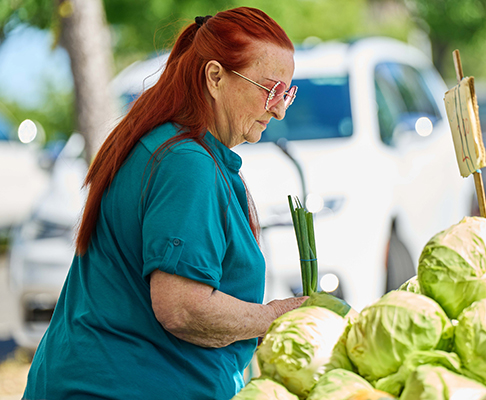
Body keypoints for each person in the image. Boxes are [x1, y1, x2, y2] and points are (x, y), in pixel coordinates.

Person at [23, 7, 306, 400]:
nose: (279, 109)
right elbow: (182, 309)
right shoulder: (186, 164)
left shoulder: (166, 144)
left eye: (289, 94)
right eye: (271, 90)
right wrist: (277, 316)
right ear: (215, 77)